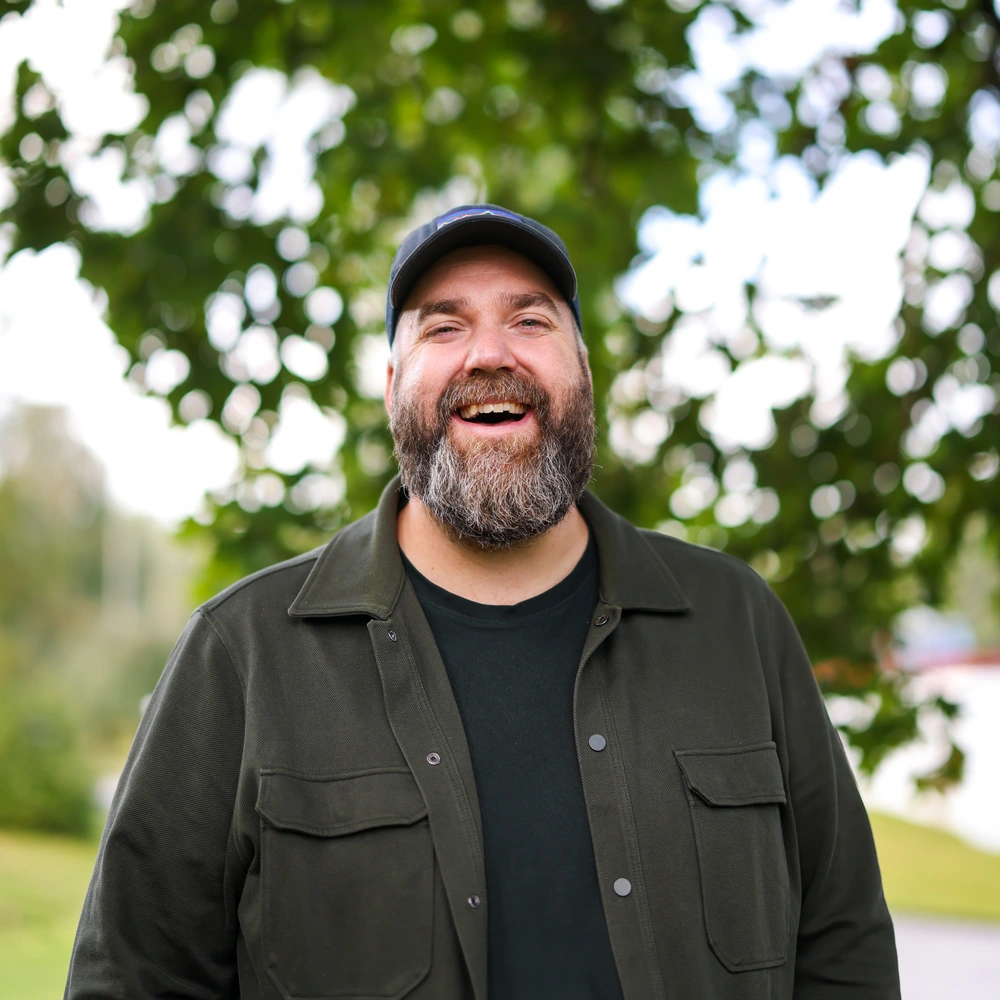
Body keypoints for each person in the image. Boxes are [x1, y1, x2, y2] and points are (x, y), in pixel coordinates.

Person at [65, 204, 900, 1000]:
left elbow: (844, 949)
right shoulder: (242, 653)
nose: (489, 354)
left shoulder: (736, 623)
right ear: (393, 385)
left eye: (531, 321)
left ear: (583, 374)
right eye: (444, 326)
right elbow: (134, 978)